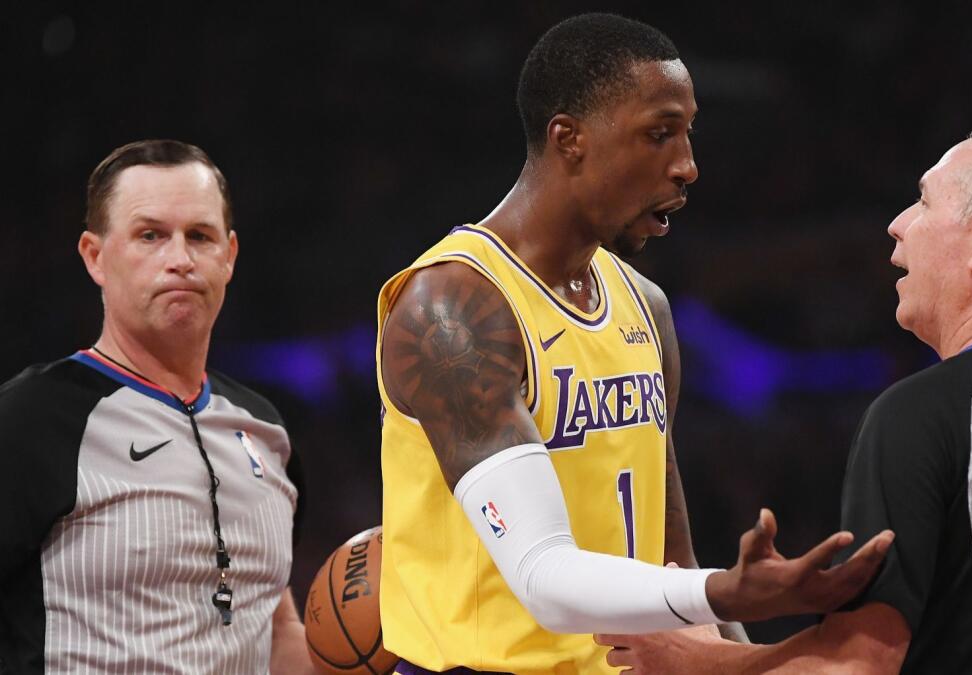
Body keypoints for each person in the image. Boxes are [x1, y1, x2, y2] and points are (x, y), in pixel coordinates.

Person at [375, 13, 893, 675]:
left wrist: (736, 646)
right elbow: (541, 574)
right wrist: (723, 590)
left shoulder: (645, 307)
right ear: (570, 140)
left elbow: (667, 556)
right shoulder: (455, 309)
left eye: (687, 134)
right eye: (659, 134)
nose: (688, 167)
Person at [597, 123, 972, 674]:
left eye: (925, 201)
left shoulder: (926, 415)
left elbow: (858, 666)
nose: (898, 223)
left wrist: (700, 660)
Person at [0, 140, 314, 674]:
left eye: (200, 236)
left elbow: (276, 628)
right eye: (151, 236)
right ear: (95, 257)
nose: (180, 260)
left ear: (230, 255)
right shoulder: (29, 421)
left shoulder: (265, 430)